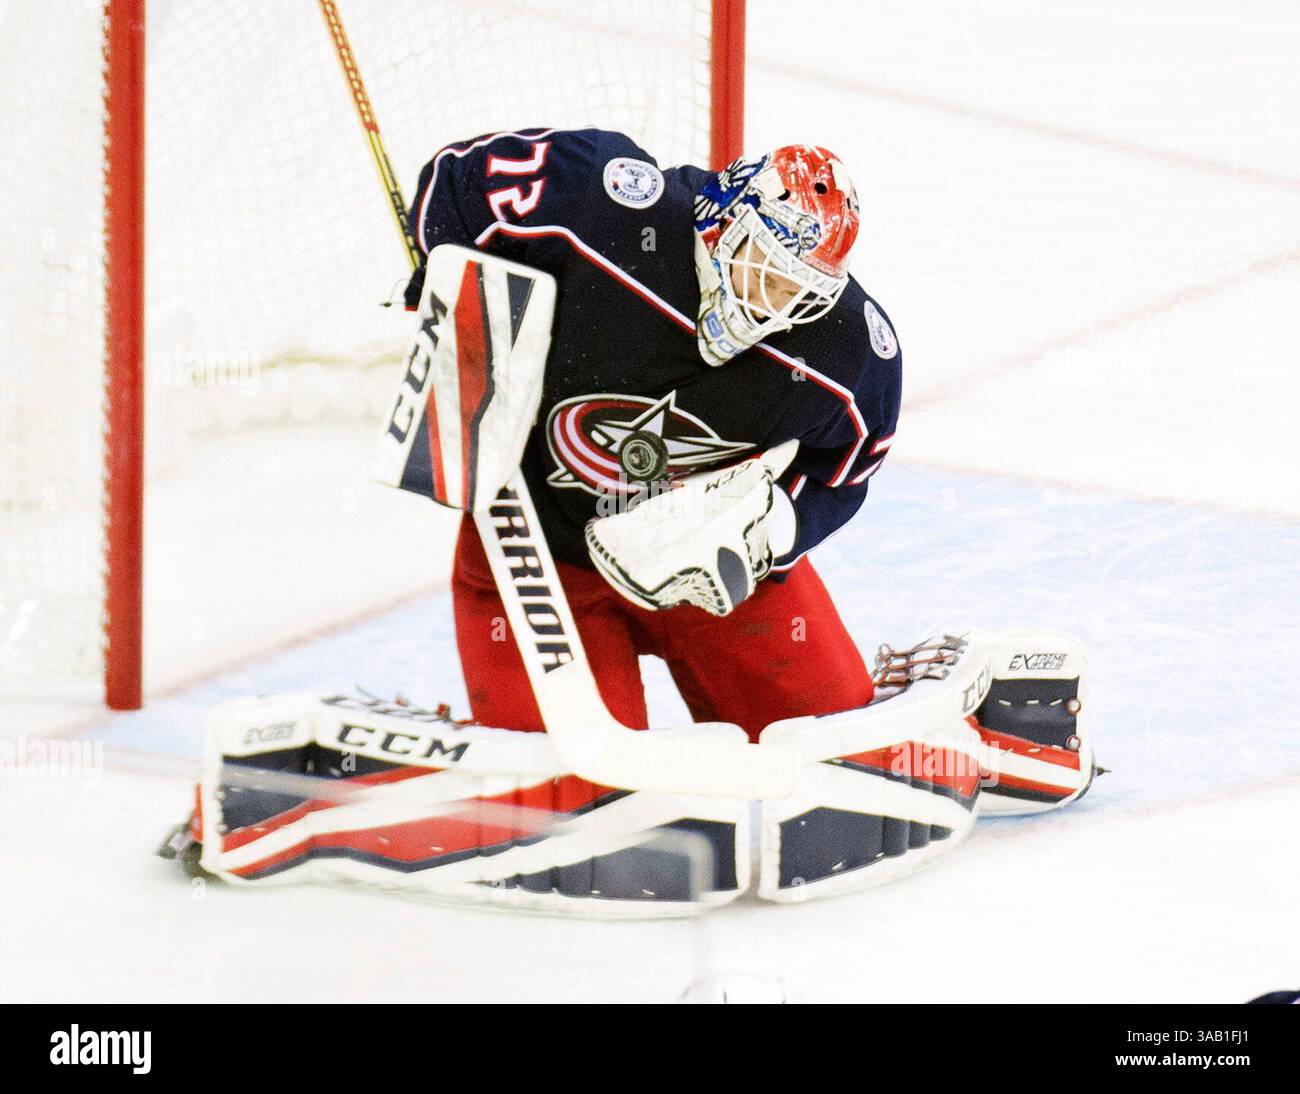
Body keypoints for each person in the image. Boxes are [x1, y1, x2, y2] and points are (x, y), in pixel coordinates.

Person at [406, 128, 902, 742]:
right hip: (539, 550)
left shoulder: (848, 348)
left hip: (703, 565)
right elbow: (455, 181)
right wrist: (452, 296)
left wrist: (769, 530)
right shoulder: (604, 205)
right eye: (766, 273)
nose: (774, 306)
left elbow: (851, 462)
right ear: (726, 222)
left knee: (833, 746)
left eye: (799, 292)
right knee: (567, 791)